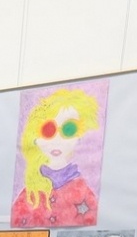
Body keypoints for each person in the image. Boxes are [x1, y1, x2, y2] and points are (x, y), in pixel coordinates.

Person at [11, 87, 101, 229]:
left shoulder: (83, 192)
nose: (57, 140)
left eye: (68, 129)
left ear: (79, 137)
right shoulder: (30, 193)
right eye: (48, 130)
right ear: (35, 138)